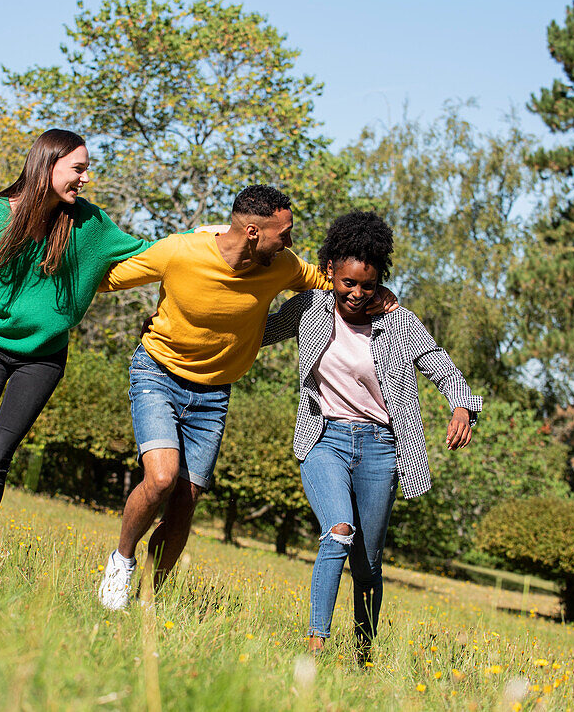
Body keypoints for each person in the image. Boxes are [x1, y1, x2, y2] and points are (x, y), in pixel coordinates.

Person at [94, 186, 399, 610]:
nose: (290, 242)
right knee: (161, 477)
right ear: (253, 231)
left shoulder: (281, 265)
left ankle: (148, 598)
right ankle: (121, 562)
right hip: (158, 372)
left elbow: (332, 280)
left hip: (214, 393)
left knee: (186, 501)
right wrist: (46, 272)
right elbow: (108, 277)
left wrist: (380, 293)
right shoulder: (180, 251)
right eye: (285, 233)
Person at [0, 129, 153, 569]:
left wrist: (208, 238)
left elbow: (153, 250)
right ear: (47, 167)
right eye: (78, 169)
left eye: (86, 169)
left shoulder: (90, 225)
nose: (85, 178)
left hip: (43, 358)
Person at [261, 210, 481, 659]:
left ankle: (363, 654)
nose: (357, 294)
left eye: (367, 284)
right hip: (324, 439)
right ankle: (315, 647)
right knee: (338, 532)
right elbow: (256, 333)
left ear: (380, 280)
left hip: (382, 449)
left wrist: (462, 405)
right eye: (347, 283)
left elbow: (440, 363)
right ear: (330, 274)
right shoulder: (309, 309)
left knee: (368, 565)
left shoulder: (399, 322)